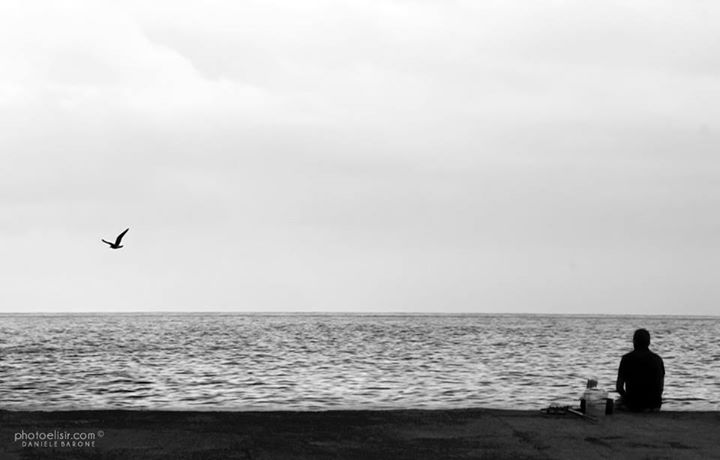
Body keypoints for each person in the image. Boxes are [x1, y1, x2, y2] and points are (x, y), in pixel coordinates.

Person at [615, 328, 665, 412]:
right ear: (649, 342)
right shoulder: (658, 359)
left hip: (633, 404)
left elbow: (619, 387)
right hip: (654, 404)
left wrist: (627, 398)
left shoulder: (626, 359)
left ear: (634, 341)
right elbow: (660, 386)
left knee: (617, 403)